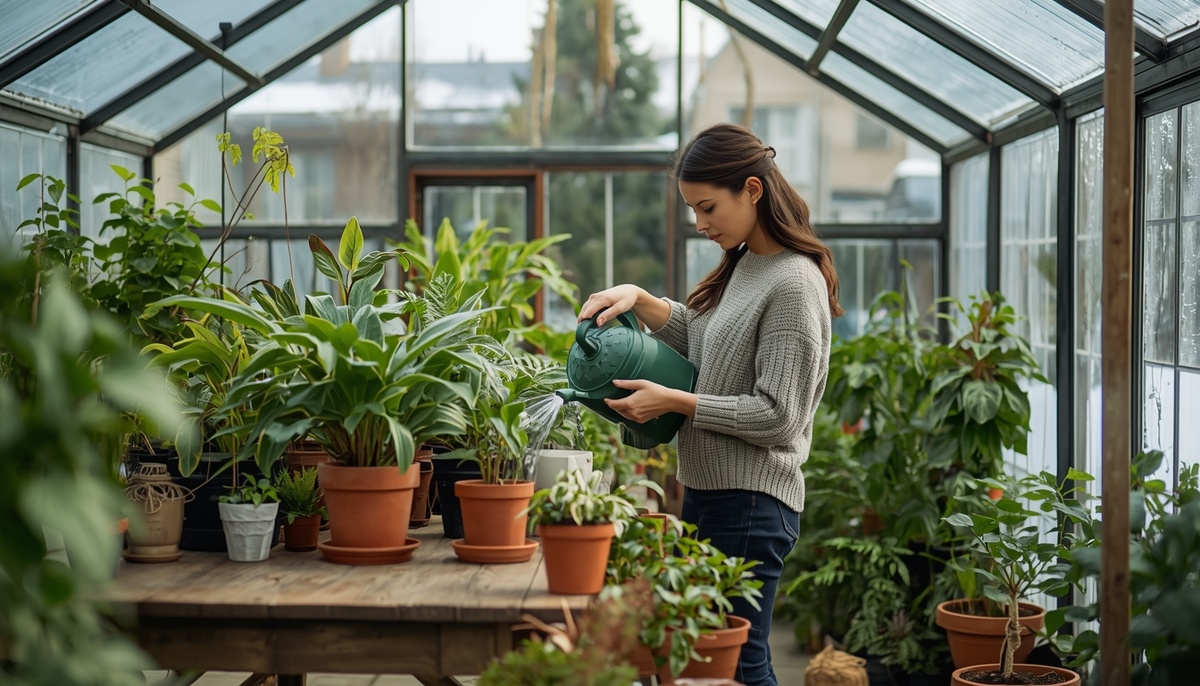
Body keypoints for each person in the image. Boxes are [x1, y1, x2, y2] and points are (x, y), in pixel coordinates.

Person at [577, 122, 843, 686]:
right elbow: (704, 339)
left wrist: (672, 400)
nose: (700, 224)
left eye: (707, 207)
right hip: (716, 494)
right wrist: (639, 298)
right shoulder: (749, 264)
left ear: (752, 190)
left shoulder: (794, 283)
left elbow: (779, 415)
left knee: (738, 663)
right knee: (715, 660)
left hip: (750, 503)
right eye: (692, 211)